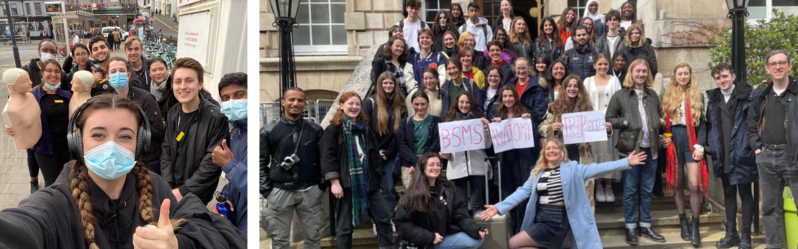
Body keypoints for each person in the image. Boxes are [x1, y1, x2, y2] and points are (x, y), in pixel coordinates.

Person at [0, 94, 245, 249]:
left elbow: (223, 234)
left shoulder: (156, 187)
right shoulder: (55, 204)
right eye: (98, 135)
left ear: (140, 144)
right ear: (77, 142)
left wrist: (179, 244)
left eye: (125, 136)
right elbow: (19, 229)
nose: (111, 145)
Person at [479, 138, 649, 249]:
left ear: (561, 152)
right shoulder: (537, 173)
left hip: (556, 220)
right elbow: (522, 192)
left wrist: (626, 161)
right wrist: (498, 207)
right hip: (541, 219)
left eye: (555, 148)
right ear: (544, 153)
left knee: (514, 242)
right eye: (548, 149)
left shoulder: (573, 168)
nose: (551, 150)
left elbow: (598, 169)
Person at [320, 92, 394, 249]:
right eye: (350, 104)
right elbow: (327, 157)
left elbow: (374, 155)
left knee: (384, 220)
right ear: (341, 106)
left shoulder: (364, 128)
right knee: (345, 228)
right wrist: (334, 182)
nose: (354, 107)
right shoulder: (333, 130)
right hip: (345, 186)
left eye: (357, 104)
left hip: (369, 184)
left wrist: (377, 176)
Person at [605, 59, 667, 245]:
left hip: (651, 150)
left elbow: (656, 117)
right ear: (631, 73)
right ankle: (630, 227)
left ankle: (646, 225)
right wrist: (624, 122)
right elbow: (609, 118)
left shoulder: (653, 95)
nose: (640, 74)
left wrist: (660, 133)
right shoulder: (620, 95)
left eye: (644, 71)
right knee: (630, 190)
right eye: (637, 71)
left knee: (647, 190)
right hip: (631, 151)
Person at [746, 49, 798, 249]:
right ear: (768, 69)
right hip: (767, 157)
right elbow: (751, 125)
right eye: (773, 64)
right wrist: (758, 149)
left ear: (789, 66)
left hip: (793, 156)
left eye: (782, 62)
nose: (778, 66)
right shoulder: (762, 95)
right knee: (770, 208)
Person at [261, 87, 325, 248]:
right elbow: (260, 162)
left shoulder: (315, 130)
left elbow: (324, 159)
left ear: (305, 104)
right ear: (283, 102)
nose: (295, 103)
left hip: (310, 190)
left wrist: (321, 186)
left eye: (300, 100)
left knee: (313, 237)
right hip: (279, 191)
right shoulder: (268, 130)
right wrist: (266, 190)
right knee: (280, 241)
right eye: (291, 99)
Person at [160, 57, 228, 204]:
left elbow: (211, 161)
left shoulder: (216, 118)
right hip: (171, 189)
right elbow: (166, 150)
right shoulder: (173, 113)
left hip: (197, 194)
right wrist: (167, 185)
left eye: (189, 81)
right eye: (178, 82)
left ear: (200, 84)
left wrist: (184, 191)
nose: (183, 86)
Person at [706, 63, 756, 249]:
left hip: (742, 152)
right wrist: (711, 145)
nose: (722, 80)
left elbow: (756, 123)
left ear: (733, 76)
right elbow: (709, 125)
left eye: (725, 76)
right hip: (723, 152)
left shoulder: (748, 96)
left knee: (745, 193)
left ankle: (746, 237)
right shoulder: (713, 99)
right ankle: (731, 234)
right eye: (718, 78)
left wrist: (752, 147)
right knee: (728, 193)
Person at [395, 153, 488, 249]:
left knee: (475, 240)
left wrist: (475, 229)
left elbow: (459, 215)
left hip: (440, 238)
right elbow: (402, 225)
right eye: (431, 165)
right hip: (420, 243)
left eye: (438, 164)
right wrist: (430, 237)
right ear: (422, 168)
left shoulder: (448, 188)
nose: (436, 167)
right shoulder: (411, 195)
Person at [660, 63, 708, 246]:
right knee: (677, 182)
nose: (683, 76)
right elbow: (662, 123)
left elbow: (703, 124)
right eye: (679, 74)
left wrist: (700, 146)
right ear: (674, 76)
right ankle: (683, 222)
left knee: (694, 184)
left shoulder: (698, 96)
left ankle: (695, 224)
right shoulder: (667, 97)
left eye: (686, 73)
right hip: (674, 140)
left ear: (690, 75)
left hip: (692, 140)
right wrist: (663, 138)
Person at [6, 60, 71, 189]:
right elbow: (15, 113)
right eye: (49, 70)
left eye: (57, 71)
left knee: (68, 181)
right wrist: (11, 127)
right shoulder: (32, 96)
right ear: (42, 74)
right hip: (45, 148)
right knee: (52, 184)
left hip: (67, 148)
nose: (53, 74)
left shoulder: (67, 95)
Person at [487, 85, 537, 234]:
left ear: (515, 97)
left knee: (523, 193)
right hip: (505, 160)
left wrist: (529, 122)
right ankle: (509, 230)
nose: (508, 99)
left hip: (522, 159)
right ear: (501, 98)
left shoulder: (525, 112)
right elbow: (490, 140)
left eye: (511, 96)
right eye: (505, 96)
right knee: (507, 193)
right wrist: (493, 125)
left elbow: (534, 135)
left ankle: (524, 229)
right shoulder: (496, 113)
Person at [362, 72, 408, 232]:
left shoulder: (400, 106)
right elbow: (365, 130)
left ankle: (387, 219)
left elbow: (400, 134)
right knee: (373, 189)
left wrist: (387, 153)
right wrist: (376, 152)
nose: (388, 87)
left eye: (391, 84)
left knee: (388, 188)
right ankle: (377, 220)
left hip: (390, 154)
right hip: (371, 154)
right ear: (379, 85)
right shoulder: (369, 103)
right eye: (385, 84)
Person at [106, 57, 165, 174]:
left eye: (121, 71)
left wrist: (133, 126)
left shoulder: (146, 98)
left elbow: (159, 131)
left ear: (128, 75)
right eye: (113, 71)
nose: (118, 74)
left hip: (147, 160)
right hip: (122, 158)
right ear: (108, 78)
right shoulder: (107, 101)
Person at [211, 72, 248, 234]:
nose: (232, 102)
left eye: (239, 95)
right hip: (235, 215)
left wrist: (229, 165)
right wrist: (224, 198)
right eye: (226, 98)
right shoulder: (235, 133)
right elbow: (234, 182)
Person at [442, 93, 492, 212]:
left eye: (467, 102)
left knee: (477, 205)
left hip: (478, 167)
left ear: (472, 104)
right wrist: (446, 154)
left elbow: (487, 145)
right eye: (461, 102)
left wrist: (485, 130)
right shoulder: (449, 122)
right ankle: (465, 229)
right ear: (456, 103)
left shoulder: (479, 120)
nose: (464, 105)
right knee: (461, 205)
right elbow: (446, 147)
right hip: (457, 168)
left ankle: (479, 229)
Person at [584, 53, 623, 203]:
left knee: (609, 155)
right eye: (600, 64)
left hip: (609, 124)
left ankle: (609, 186)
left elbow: (619, 101)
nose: (602, 67)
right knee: (596, 156)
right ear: (594, 65)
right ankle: (598, 186)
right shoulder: (587, 81)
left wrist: (612, 121)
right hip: (592, 124)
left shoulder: (614, 80)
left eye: (605, 64)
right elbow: (584, 101)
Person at [539, 75, 596, 162]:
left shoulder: (587, 107)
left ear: (580, 89)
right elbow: (542, 126)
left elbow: (594, 128)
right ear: (564, 88)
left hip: (581, 151)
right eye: (569, 86)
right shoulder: (555, 106)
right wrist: (551, 128)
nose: (572, 89)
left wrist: (605, 129)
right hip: (561, 149)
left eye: (575, 86)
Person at [397, 91, 443, 189]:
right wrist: (417, 161)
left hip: (430, 164)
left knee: (430, 195)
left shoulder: (436, 121)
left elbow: (437, 143)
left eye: (423, 104)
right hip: (409, 165)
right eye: (416, 104)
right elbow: (401, 145)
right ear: (412, 104)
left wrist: (423, 161)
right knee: (411, 198)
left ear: (428, 103)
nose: (420, 107)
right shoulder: (405, 122)